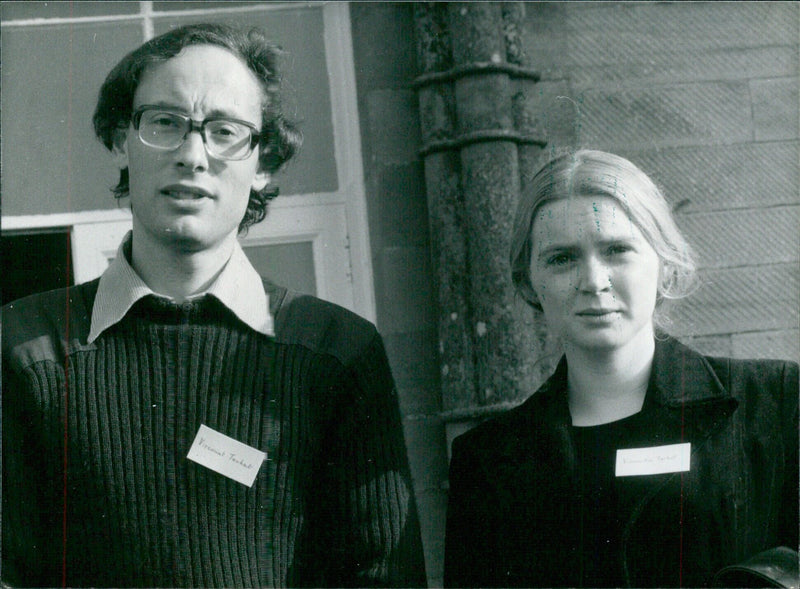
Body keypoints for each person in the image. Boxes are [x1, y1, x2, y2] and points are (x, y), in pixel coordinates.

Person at [2, 23, 426, 588]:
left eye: (225, 131)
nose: (193, 155)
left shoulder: (336, 351)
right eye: (165, 123)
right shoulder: (26, 345)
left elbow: (384, 577)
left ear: (264, 163)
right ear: (120, 139)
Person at [444, 150, 798, 588]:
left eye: (616, 250)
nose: (593, 281)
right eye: (562, 258)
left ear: (664, 265)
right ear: (527, 282)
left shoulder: (776, 402)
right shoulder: (488, 460)